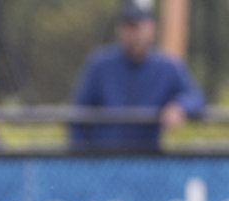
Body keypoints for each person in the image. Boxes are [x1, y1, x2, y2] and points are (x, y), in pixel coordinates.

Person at [69, 0, 206, 152]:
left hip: (147, 158)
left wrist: (179, 106)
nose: (133, 33)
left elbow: (195, 97)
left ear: (152, 27)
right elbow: (78, 115)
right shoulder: (99, 64)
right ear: (119, 29)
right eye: (127, 26)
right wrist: (81, 156)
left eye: (138, 26)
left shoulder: (167, 67)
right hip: (104, 158)